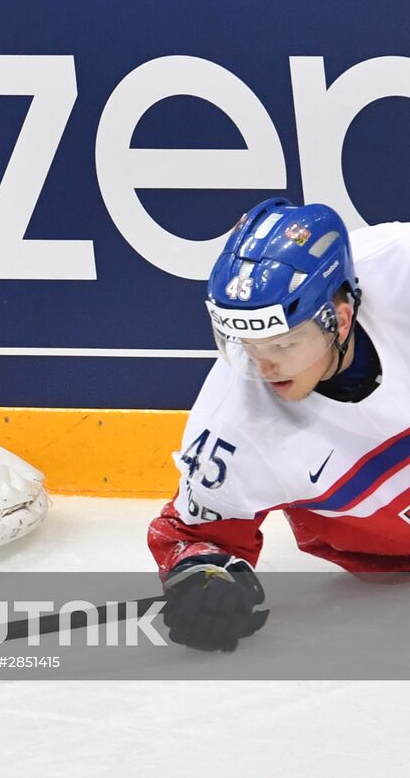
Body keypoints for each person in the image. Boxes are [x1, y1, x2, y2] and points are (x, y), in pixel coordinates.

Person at [148, 198, 410, 652]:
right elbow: (192, 537)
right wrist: (201, 579)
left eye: (285, 343)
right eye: (246, 342)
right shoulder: (234, 427)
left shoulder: (399, 269)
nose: (264, 366)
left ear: (340, 319)